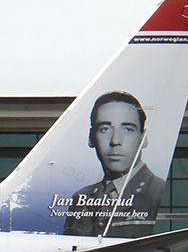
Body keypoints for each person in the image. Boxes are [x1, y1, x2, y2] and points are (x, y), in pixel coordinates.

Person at [62, 91, 164, 238]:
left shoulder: (159, 192)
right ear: (91, 138)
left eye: (128, 129)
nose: (115, 140)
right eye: (105, 129)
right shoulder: (81, 197)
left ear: (143, 138)